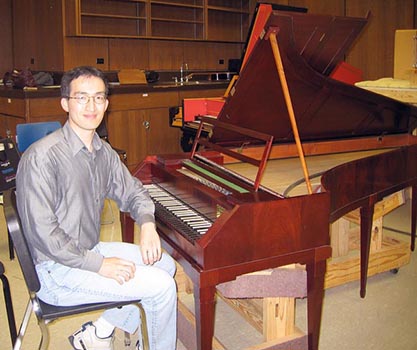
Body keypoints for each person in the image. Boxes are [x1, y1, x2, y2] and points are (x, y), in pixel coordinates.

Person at [15, 66, 177, 350]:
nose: (91, 106)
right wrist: (100, 265)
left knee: (163, 264)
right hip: (56, 270)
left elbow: (133, 191)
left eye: (99, 98)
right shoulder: (41, 158)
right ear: (65, 103)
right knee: (161, 287)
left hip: (88, 249)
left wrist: (147, 223)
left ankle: (98, 333)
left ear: (106, 103)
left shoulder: (103, 152)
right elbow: (44, 234)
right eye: (82, 98)